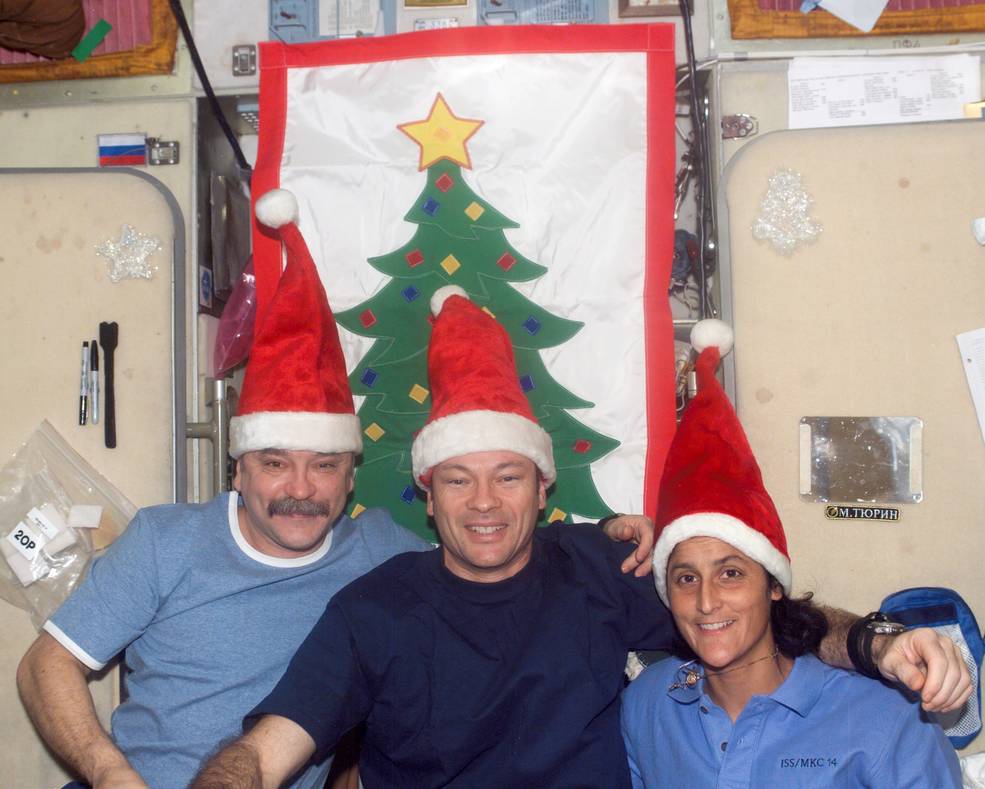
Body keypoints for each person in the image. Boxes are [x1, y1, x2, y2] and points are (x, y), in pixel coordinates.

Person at [15, 191, 650, 789]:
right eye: (273, 463)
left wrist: (626, 534)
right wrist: (110, 774)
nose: (300, 490)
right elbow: (47, 664)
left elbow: (486, 544)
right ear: (236, 468)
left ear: (352, 476)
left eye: (323, 465)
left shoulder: (380, 554)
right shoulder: (166, 541)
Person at [193, 309, 971, 789]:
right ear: (428, 496)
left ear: (543, 488)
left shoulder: (604, 566)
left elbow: (764, 618)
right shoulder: (378, 605)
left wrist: (876, 642)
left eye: (507, 476)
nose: (486, 503)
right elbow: (264, 753)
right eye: (458, 481)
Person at [621, 322, 963, 788]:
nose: (705, 601)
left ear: (774, 585)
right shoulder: (648, 706)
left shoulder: (885, 722)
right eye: (685, 578)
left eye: (731, 574)